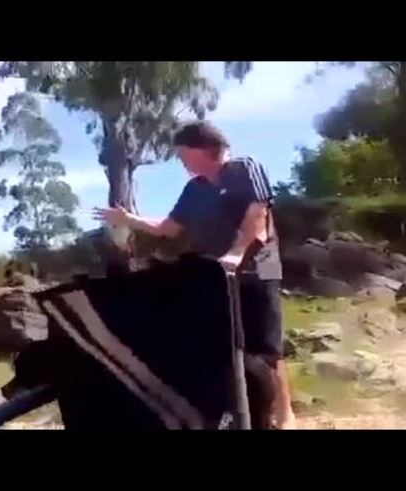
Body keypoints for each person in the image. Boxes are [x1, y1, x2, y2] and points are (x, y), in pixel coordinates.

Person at [94, 121, 296, 429]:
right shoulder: (194, 189)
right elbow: (167, 228)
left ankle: (284, 415)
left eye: (183, 155)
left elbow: (258, 214)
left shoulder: (244, 168)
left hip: (258, 271)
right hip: (220, 277)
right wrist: (127, 219)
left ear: (203, 148)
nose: (182, 162)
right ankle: (235, 412)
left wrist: (238, 252)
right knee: (224, 346)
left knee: (265, 348)